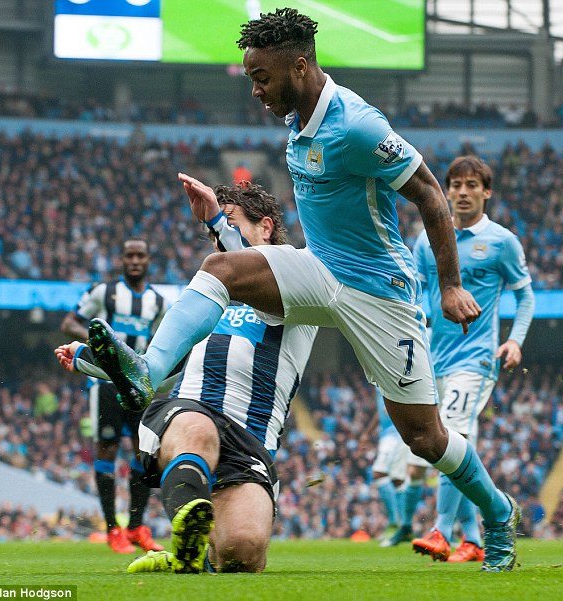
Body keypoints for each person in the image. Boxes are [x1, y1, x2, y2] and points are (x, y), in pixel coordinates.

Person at [84, 8, 520, 572]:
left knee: (425, 438)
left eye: (262, 77)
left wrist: (451, 285)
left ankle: (498, 513)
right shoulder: (296, 119)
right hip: (319, 269)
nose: (256, 90)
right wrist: (218, 221)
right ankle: (148, 370)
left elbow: (431, 195)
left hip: (379, 293)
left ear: (298, 66)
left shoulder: (356, 126)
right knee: (222, 269)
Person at [58, 183, 316, 573]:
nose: (219, 241)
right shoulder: (205, 299)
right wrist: (91, 360)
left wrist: (215, 221)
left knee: (242, 553)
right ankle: (187, 541)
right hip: (189, 413)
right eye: (217, 233)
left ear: (266, 227)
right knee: (197, 427)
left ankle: (188, 559)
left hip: (251, 442)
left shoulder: (301, 282)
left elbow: (248, 264)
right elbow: (158, 376)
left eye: (232, 224)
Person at [406, 155, 534, 563]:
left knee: (453, 433)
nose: (462, 192)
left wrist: (515, 341)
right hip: (434, 358)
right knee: (453, 447)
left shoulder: (502, 241)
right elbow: (416, 296)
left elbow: (525, 296)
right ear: (446, 190)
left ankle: (441, 530)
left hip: (476, 358)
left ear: (486, 192)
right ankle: (475, 538)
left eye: (472, 185)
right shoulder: (426, 240)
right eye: (456, 185)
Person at [60, 239, 168, 555]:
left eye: (140, 255)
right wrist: (101, 345)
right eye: (129, 255)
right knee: (106, 449)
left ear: (148, 260)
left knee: (143, 451)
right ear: (121, 260)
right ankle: (112, 530)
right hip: (105, 383)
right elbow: (69, 323)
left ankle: (135, 527)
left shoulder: (158, 302)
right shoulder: (103, 292)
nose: (134, 260)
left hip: (139, 385)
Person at [358, 390, 410, 547]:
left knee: (379, 473)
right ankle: (404, 526)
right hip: (387, 435)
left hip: (397, 433)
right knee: (397, 480)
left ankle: (395, 523)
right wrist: (368, 432)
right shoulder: (377, 384)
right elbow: (381, 411)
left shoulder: (389, 377)